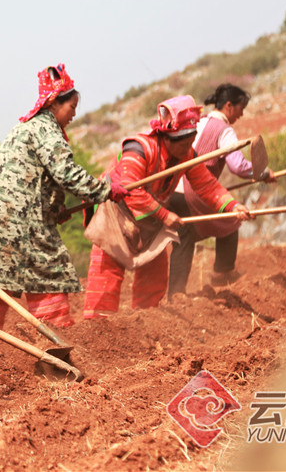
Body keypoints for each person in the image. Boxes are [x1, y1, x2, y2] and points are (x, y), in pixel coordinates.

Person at [0, 64, 128, 331]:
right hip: (19, 226)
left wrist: (56, 211)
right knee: (50, 274)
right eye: (72, 107)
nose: (74, 115)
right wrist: (105, 190)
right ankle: (54, 340)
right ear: (54, 103)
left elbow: (37, 181)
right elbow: (65, 173)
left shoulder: (25, 128)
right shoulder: (46, 130)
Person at [83, 95, 252, 317]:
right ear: (168, 138)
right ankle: (98, 331)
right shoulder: (139, 148)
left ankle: (146, 321)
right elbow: (131, 189)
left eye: (191, 142)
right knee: (105, 279)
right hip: (116, 214)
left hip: (149, 217)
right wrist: (165, 215)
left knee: (154, 276)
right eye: (184, 144)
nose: (188, 148)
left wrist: (232, 207)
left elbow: (207, 186)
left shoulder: (186, 155)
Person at [167, 83, 275, 295]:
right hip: (194, 189)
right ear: (229, 106)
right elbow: (238, 166)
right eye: (241, 109)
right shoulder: (224, 130)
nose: (241, 115)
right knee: (231, 220)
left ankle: (175, 294)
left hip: (171, 189)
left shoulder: (197, 122)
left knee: (184, 239)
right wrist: (263, 173)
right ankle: (222, 273)